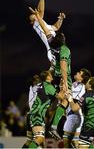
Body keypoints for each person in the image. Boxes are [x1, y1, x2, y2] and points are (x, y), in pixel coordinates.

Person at [29, 9, 72, 139]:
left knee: (56, 97)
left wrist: (38, 17)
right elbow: (64, 67)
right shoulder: (64, 49)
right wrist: (65, 82)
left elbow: (45, 28)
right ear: (63, 41)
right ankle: (54, 126)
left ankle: (50, 113)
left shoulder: (51, 42)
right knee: (65, 101)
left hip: (54, 71)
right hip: (62, 75)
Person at [26, 70, 65, 148]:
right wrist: (64, 87)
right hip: (37, 115)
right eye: (50, 75)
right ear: (47, 77)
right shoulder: (47, 86)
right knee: (39, 139)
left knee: (31, 142)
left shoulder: (40, 85)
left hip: (32, 114)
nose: (52, 76)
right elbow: (61, 97)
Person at [29, 0, 65, 64]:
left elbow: (56, 28)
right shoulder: (36, 24)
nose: (34, 15)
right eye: (32, 16)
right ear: (31, 22)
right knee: (58, 70)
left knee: (62, 70)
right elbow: (40, 12)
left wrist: (61, 19)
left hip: (58, 47)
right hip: (52, 49)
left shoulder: (46, 25)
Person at [66, 77, 94, 149]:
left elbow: (74, 108)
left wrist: (69, 98)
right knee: (89, 142)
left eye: (87, 82)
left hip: (91, 125)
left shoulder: (87, 95)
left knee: (81, 146)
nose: (86, 83)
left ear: (90, 85)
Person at [63, 68, 91, 148]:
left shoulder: (81, 86)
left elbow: (74, 100)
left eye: (79, 73)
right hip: (70, 115)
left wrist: (67, 94)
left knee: (71, 142)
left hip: (75, 115)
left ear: (82, 78)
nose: (77, 72)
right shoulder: (74, 84)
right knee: (71, 142)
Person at [22, 74, 41, 148]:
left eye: (39, 78)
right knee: (39, 139)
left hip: (29, 115)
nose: (39, 80)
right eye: (37, 79)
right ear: (33, 82)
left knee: (29, 141)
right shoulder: (36, 88)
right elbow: (46, 89)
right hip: (34, 116)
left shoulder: (33, 88)